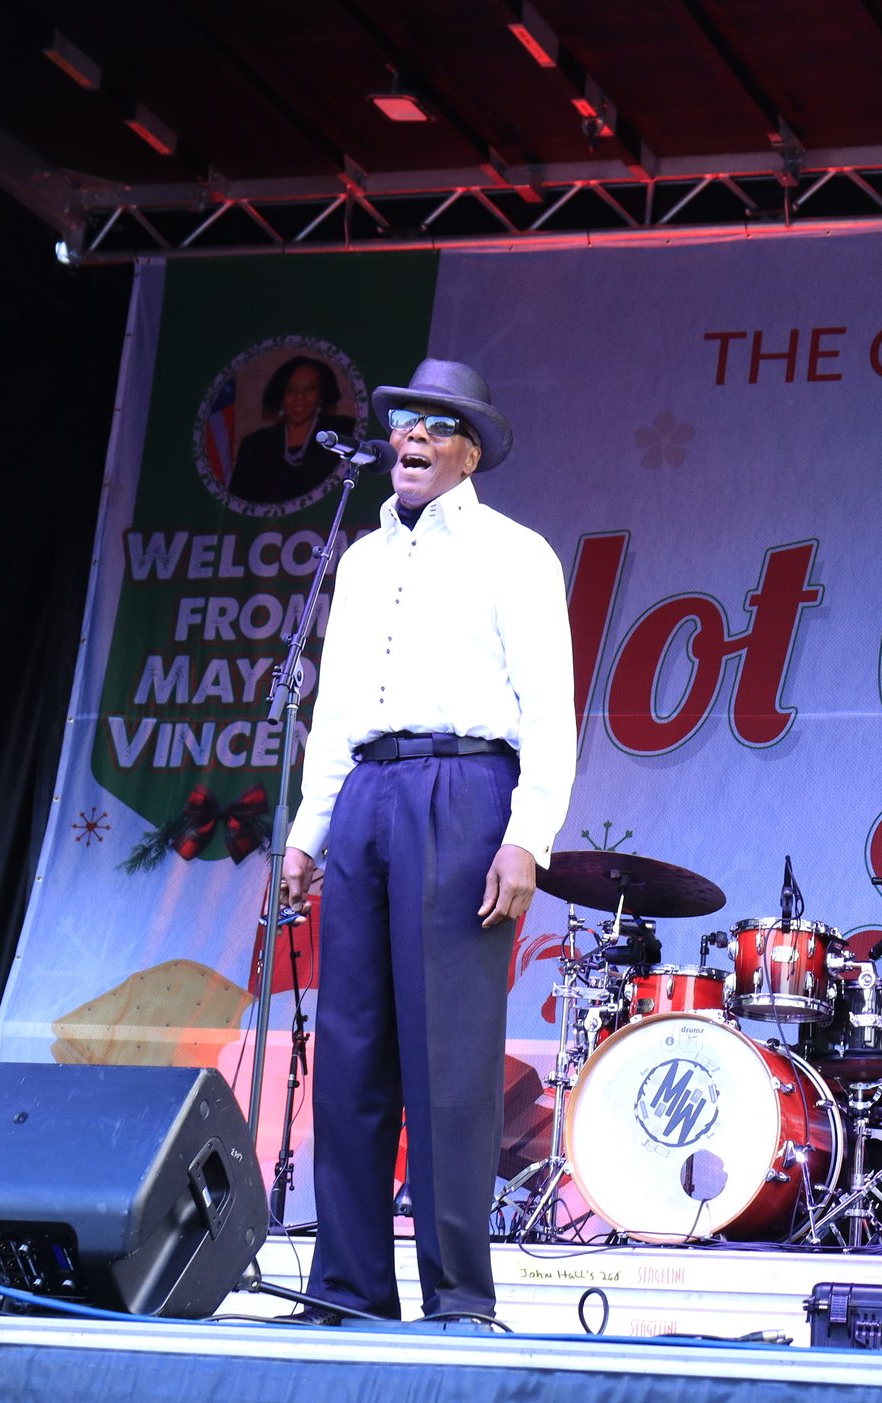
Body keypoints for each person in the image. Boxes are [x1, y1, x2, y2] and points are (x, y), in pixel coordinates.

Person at [279, 357, 574, 1325]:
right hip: (369, 787)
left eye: (433, 426)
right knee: (352, 1046)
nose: (408, 438)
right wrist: (306, 831)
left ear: (469, 448)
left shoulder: (514, 550)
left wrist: (527, 836)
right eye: (401, 422)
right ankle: (348, 1288)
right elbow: (336, 705)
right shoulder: (363, 558)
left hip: (464, 786)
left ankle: (458, 1294)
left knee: (448, 1053)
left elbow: (549, 708)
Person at [231, 355, 360, 505]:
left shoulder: (342, 433)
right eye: (291, 390)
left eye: (310, 389)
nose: (300, 397)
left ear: (321, 393)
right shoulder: (254, 445)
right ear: (280, 394)